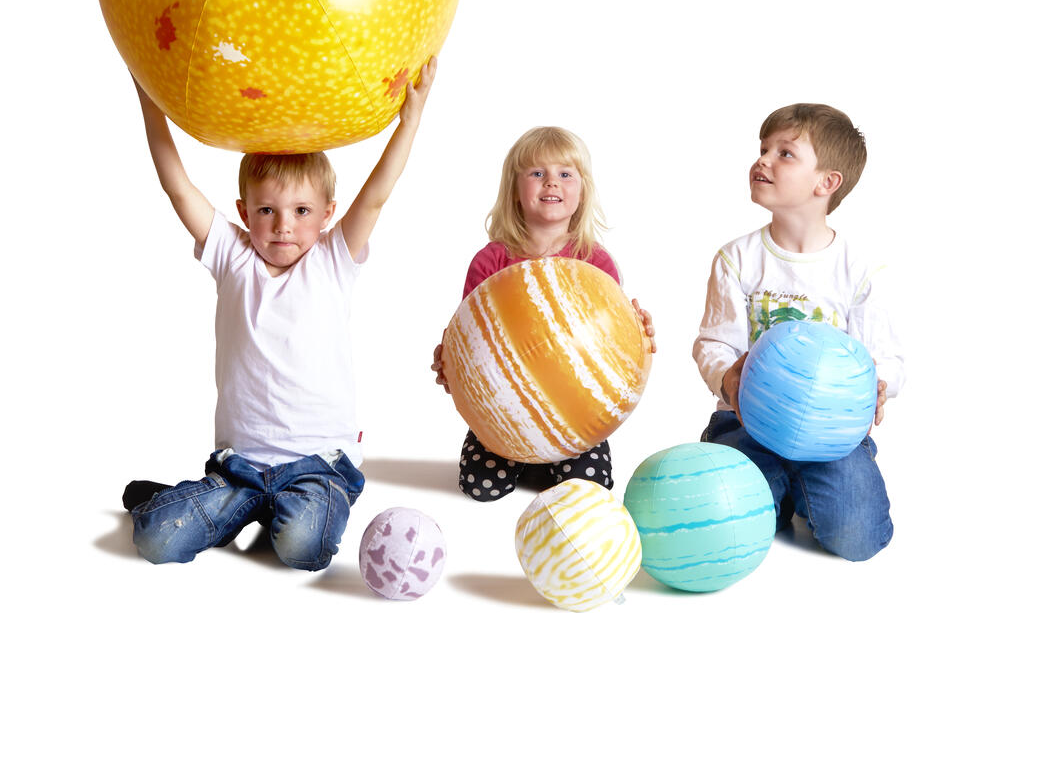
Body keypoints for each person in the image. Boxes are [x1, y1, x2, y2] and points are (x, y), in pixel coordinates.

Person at [122, 60, 437, 570]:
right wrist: (149, 101)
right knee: (156, 541)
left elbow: (376, 197)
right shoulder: (232, 253)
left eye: (301, 211)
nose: (283, 226)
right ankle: (205, 506)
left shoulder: (333, 259)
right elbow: (177, 187)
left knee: (302, 548)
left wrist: (410, 121)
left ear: (327, 213)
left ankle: (262, 513)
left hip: (319, 466)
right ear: (244, 212)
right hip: (239, 469)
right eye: (267, 210)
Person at [693, 103, 903, 561]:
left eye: (784, 153)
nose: (763, 160)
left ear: (826, 182)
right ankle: (776, 490)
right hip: (748, 423)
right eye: (763, 149)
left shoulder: (858, 270)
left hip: (831, 435)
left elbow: (887, 358)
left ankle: (798, 487)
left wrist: (879, 383)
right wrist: (728, 378)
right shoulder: (737, 259)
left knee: (859, 539)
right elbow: (714, 343)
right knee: (724, 528)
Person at [431, 126, 655, 500]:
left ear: (582, 192)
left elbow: (610, 345)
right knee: (481, 487)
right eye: (537, 173)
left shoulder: (594, 262)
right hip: (503, 414)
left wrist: (639, 333)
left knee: (589, 489)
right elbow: (470, 338)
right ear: (514, 191)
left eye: (565, 174)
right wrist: (452, 363)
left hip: (576, 415)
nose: (551, 182)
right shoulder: (492, 261)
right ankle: (524, 461)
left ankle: (550, 463)